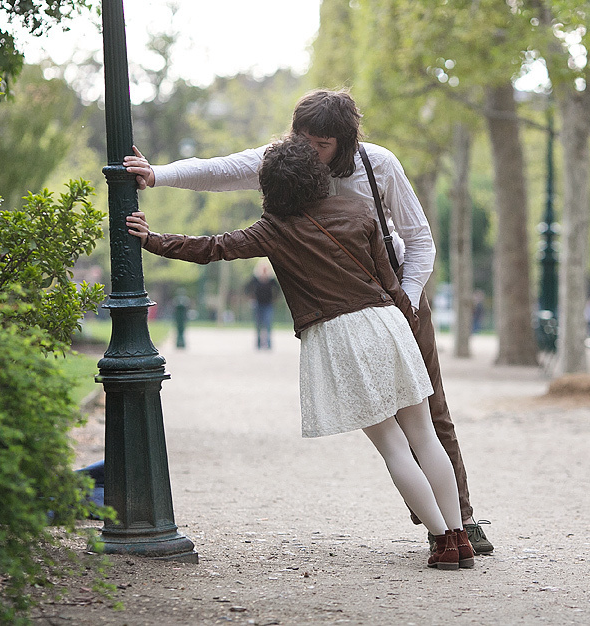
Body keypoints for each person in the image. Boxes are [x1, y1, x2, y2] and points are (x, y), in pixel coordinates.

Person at [124, 89, 493, 556]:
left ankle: (457, 523)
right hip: (385, 303)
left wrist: (409, 303)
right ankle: (449, 529)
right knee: (418, 426)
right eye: (301, 138)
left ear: (344, 142)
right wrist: (158, 175)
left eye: (319, 144)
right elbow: (221, 169)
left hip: (394, 301)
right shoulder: (292, 164)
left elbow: (418, 239)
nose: (307, 151)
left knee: (427, 422)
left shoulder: (377, 166)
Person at [245, 261, 279, 350]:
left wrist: (274, 299)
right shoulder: (255, 279)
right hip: (258, 304)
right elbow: (247, 288)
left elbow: (278, 290)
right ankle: (259, 344)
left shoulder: (271, 280)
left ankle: (268, 344)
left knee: (268, 324)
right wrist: (251, 297)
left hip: (268, 304)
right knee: (258, 324)